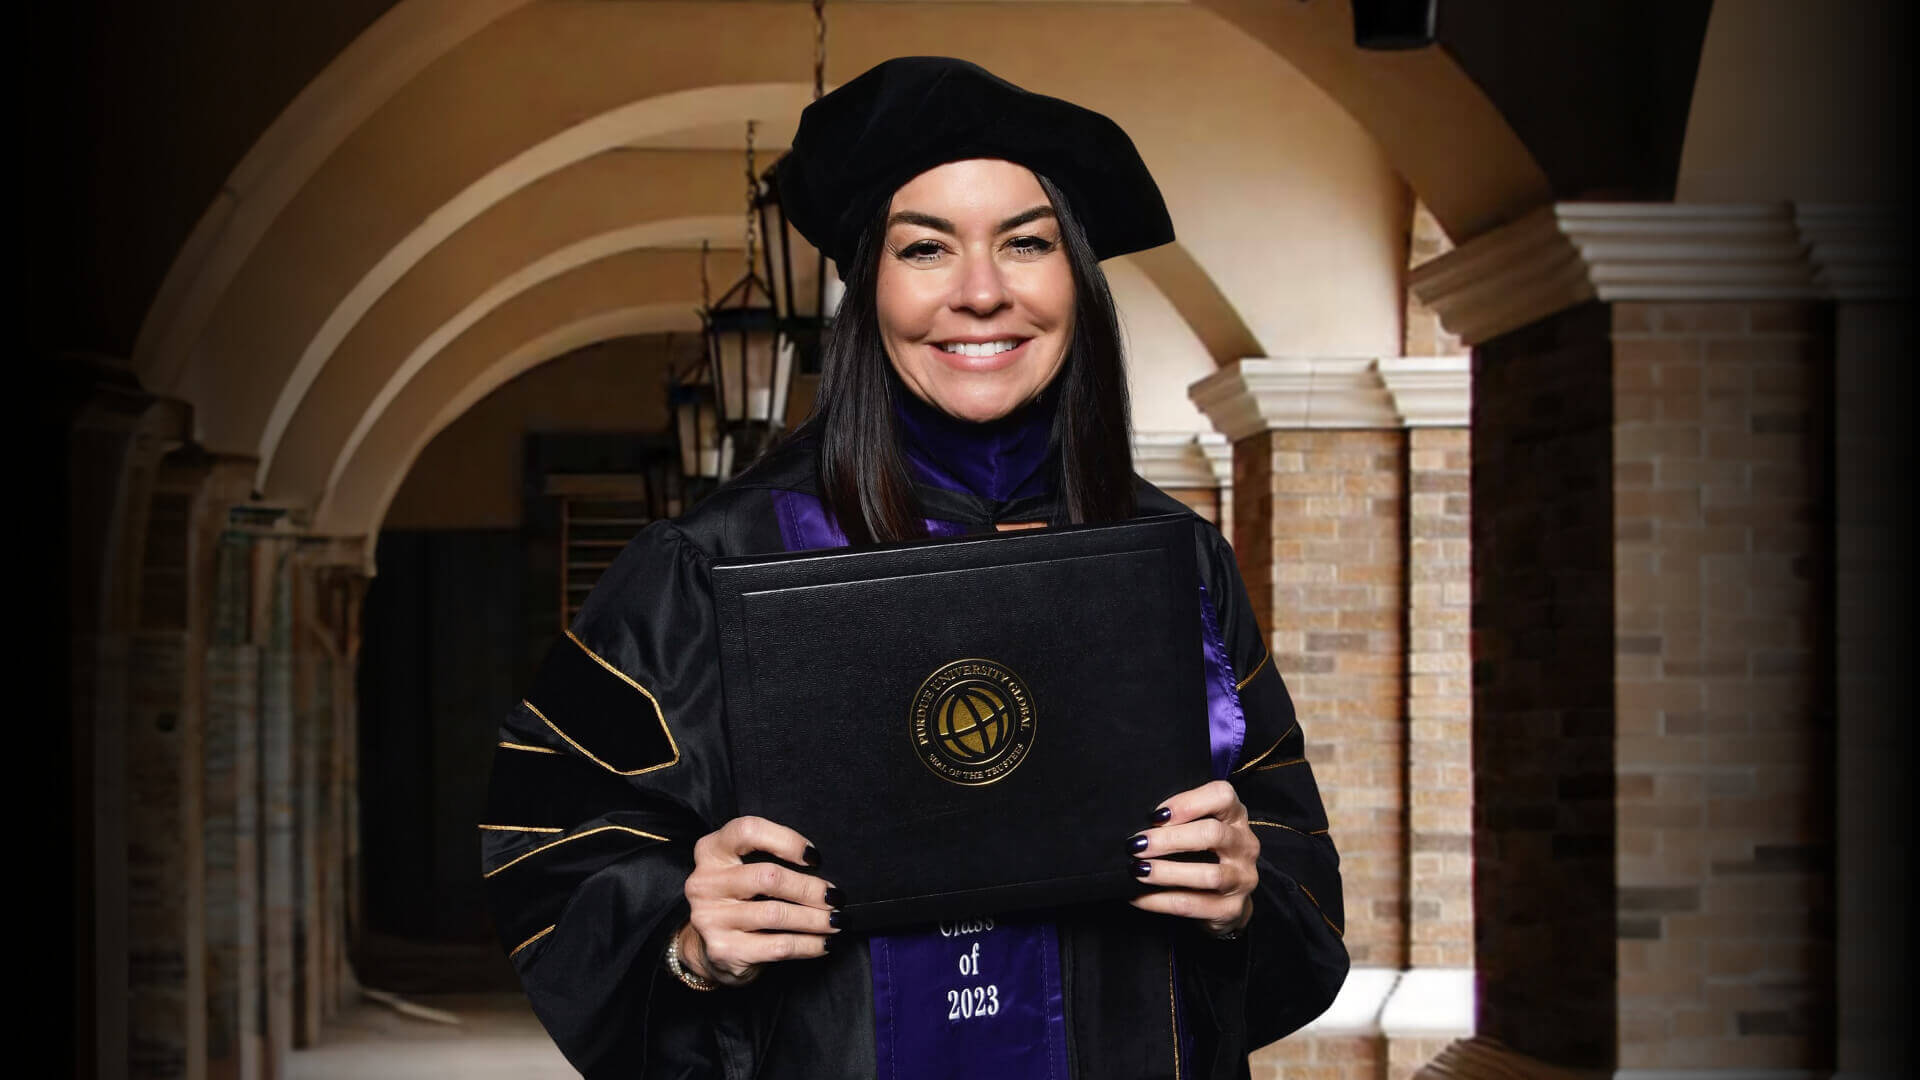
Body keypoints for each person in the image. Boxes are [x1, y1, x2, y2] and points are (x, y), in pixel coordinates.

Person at [480, 56, 1348, 1080]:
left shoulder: (1175, 558)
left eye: (1027, 242)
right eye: (926, 247)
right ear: (868, 287)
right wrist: (687, 937)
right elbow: (552, 839)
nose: (982, 293)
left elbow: (1291, 856)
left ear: (1077, 278)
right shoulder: (711, 563)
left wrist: (1243, 892)